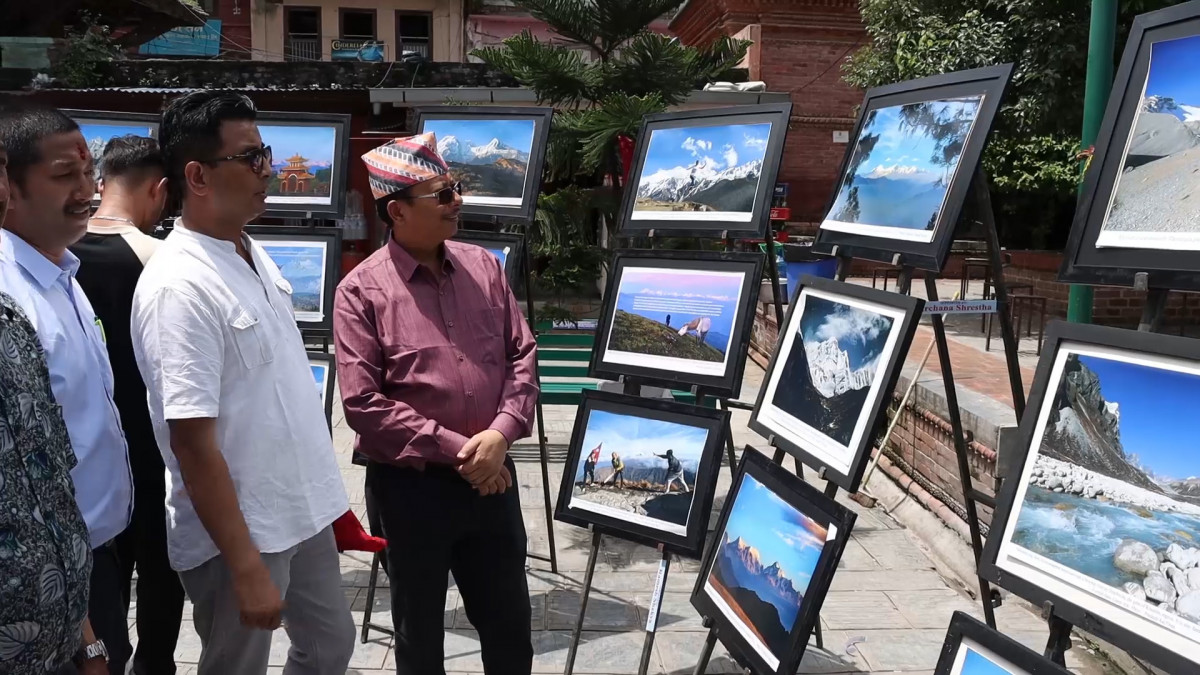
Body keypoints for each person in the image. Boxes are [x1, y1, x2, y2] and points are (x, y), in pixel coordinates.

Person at [129, 91, 354, 675]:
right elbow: (192, 442)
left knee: (330, 646)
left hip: (300, 512)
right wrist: (245, 564)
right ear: (197, 175)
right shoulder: (179, 286)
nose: (269, 170)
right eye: (251, 157)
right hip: (241, 534)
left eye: (267, 154)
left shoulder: (252, 252)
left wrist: (327, 502)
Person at [334, 131, 538, 675]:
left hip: (494, 480)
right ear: (396, 211)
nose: (457, 203)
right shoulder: (360, 292)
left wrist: (500, 434)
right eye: (442, 194)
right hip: (412, 489)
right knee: (419, 636)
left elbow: (523, 355)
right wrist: (465, 453)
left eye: (456, 189)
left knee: (510, 628)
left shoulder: (485, 268)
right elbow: (363, 403)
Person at [0, 98, 134, 674]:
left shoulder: (64, 274)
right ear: (7, 183)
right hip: (46, 576)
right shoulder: (12, 302)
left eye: (88, 171)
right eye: (63, 175)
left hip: (98, 551)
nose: (86, 189)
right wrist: (87, 632)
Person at [69, 135, 185, 675]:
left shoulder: (58, 255)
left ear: (99, 181)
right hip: (150, 447)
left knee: (102, 574)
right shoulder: (159, 258)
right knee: (161, 574)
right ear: (158, 191)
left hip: (82, 451)